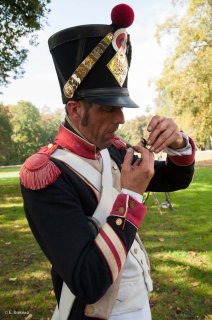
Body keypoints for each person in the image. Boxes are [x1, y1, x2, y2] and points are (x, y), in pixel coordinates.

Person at [20, 4, 195, 320]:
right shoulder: (46, 173)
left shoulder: (113, 149)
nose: (120, 118)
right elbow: (89, 281)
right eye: (107, 108)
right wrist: (129, 196)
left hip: (139, 303)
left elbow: (175, 179)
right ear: (75, 110)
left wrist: (179, 143)